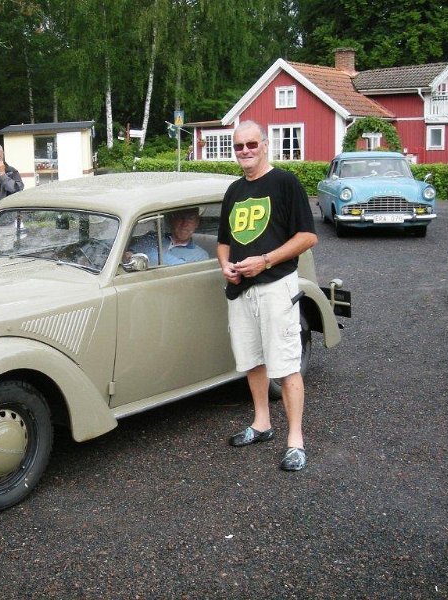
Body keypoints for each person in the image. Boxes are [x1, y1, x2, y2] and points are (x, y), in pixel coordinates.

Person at [217, 120, 317, 472]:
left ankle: (296, 441)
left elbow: (307, 236)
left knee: (286, 364)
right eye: (239, 146)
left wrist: (266, 260)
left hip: (277, 286)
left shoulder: (285, 183)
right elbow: (224, 242)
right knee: (253, 361)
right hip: (241, 290)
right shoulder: (233, 191)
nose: (245, 151)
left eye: (251, 144)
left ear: (265, 144)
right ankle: (262, 424)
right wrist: (225, 265)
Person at [128, 208, 210, 265]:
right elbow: (126, 256)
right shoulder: (153, 238)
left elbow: (182, 275)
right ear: (172, 220)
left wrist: (150, 255)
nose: (185, 224)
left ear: (197, 223)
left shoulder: (201, 256)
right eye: (181, 218)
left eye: (190, 219)